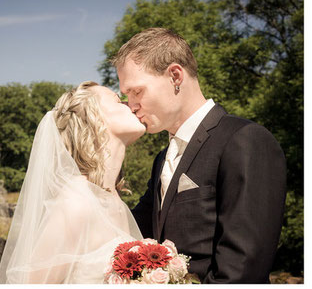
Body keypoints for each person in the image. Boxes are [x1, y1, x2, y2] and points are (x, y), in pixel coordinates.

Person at [114, 27, 287, 284]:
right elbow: (131, 231)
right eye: (127, 96)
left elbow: (243, 270)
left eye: (137, 91)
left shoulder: (244, 140)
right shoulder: (162, 160)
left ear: (175, 76)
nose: (132, 105)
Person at [0, 81, 146, 284]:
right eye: (118, 100)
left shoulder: (115, 200)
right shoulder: (76, 202)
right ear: (94, 119)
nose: (131, 105)